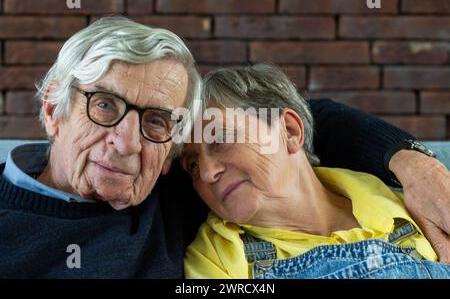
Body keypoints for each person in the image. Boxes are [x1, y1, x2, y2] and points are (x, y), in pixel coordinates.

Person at [0, 17, 448, 278]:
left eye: (157, 120)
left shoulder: (173, 187)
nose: (127, 142)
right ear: (53, 108)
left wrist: (413, 163)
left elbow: (305, 118)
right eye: (104, 104)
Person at [182, 64, 450, 279]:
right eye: (191, 165)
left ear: (288, 131)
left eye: (221, 139)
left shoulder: (405, 202)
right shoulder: (218, 254)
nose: (206, 172)